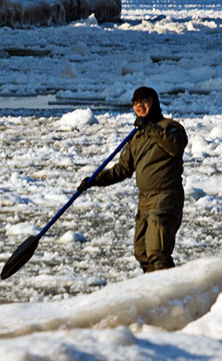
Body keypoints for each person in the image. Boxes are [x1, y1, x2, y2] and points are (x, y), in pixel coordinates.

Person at [78, 86, 188, 273]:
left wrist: (150, 127)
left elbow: (175, 147)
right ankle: (153, 293)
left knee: (157, 253)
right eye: (136, 103)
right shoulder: (136, 136)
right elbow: (123, 169)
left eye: (144, 101)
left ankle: (171, 295)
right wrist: (95, 180)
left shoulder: (170, 127)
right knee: (142, 253)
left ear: (154, 103)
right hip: (145, 201)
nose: (139, 106)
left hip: (165, 198)